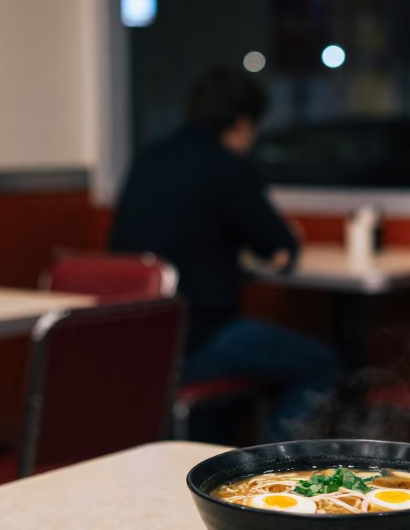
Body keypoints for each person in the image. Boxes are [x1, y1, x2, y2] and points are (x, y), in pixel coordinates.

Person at [111, 69, 340, 442]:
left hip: (137, 340)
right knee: (322, 364)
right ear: (242, 123)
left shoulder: (148, 159)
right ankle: (276, 476)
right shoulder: (228, 166)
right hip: (197, 341)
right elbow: (280, 247)